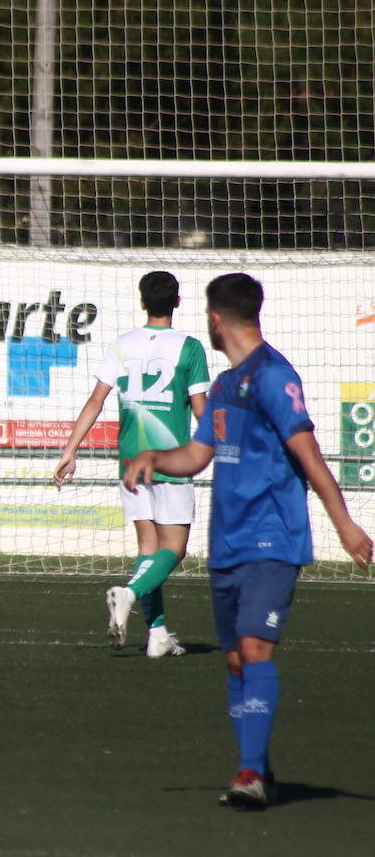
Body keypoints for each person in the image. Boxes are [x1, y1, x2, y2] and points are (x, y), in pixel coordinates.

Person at [124, 272, 372, 810]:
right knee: (236, 661)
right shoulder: (221, 385)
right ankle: (256, 768)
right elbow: (197, 454)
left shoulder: (274, 376)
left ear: (215, 319)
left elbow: (309, 454)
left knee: (255, 651)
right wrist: (156, 459)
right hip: (228, 544)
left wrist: (344, 524)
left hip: (273, 539)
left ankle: (249, 776)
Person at [54, 271, 209, 657]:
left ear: (142, 302)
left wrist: (70, 451)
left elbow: (95, 402)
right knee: (174, 549)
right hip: (171, 459)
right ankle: (129, 593)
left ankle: (156, 635)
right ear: (177, 302)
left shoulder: (122, 344)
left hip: (129, 460)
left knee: (149, 548)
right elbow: (203, 412)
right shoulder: (190, 348)